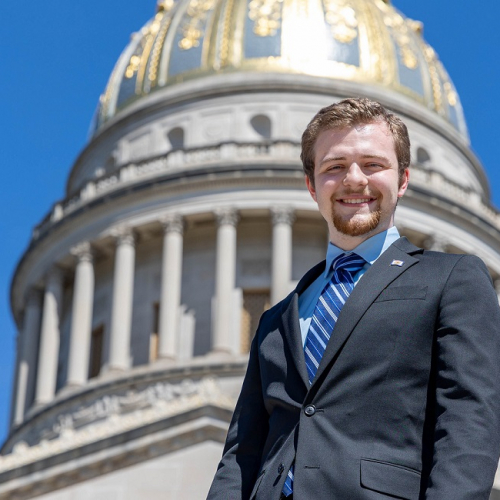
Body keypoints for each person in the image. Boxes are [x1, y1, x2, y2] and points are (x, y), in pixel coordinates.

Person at [206, 98, 500, 499]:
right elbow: (241, 455)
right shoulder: (277, 320)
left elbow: (469, 418)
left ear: (403, 180)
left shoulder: (451, 279)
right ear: (312, 186)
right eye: (335, 166)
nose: (354, 179)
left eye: (373, 164)